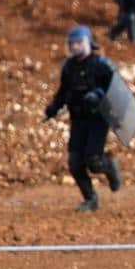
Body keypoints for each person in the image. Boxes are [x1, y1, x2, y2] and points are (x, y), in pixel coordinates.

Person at [44, 26, 121, 212]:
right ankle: (90, 198)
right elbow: (63, 92)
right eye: (73, 44)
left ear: (88, 43)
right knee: (75, 163)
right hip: (78, 119)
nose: (76, 47)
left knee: (93, 161)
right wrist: (53, 108)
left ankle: (109, 166)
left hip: (97, 119)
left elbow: (116, 88)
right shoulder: (69, 67)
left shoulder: (101, 65)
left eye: (79, 43)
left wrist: (98, 94)